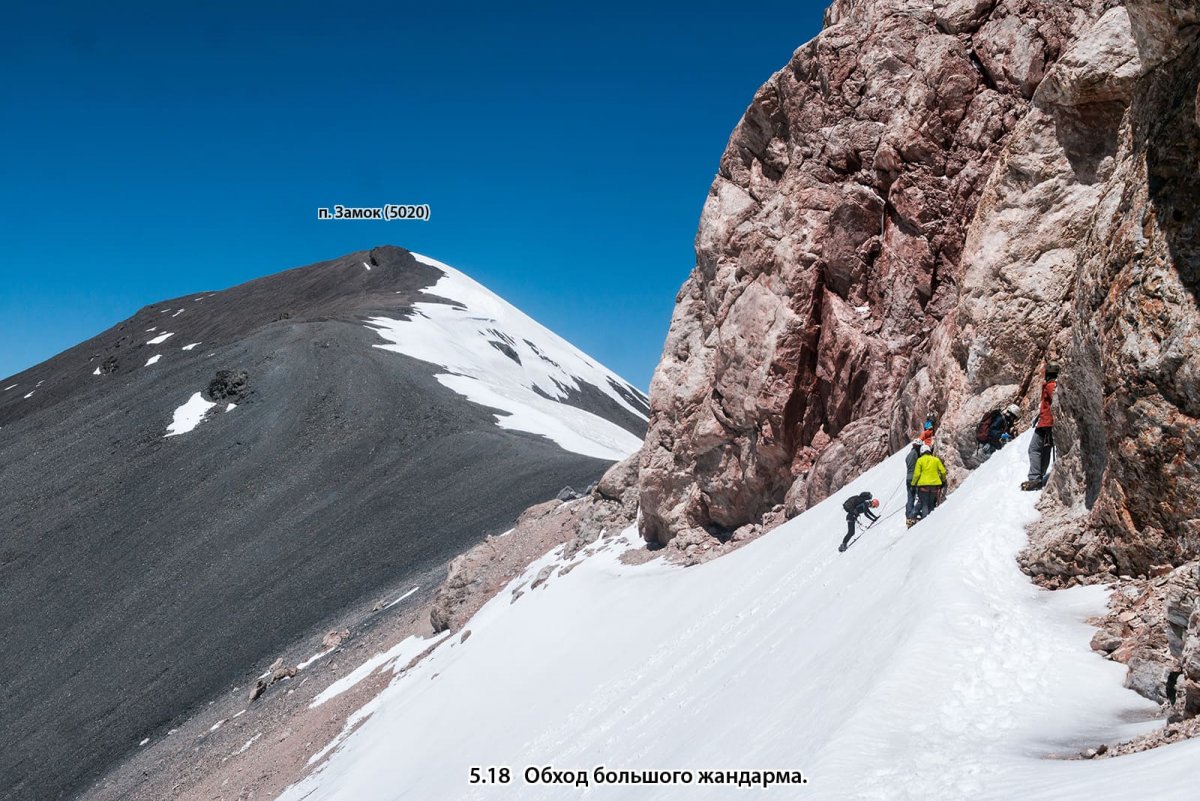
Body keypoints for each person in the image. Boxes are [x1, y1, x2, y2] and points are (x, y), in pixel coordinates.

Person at [1022, 361, 1058, 490]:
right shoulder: (1053, 385)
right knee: (1045, 449)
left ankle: (1035, 478)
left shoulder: (1050, 385)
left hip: (1046, 423)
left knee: (1034, 449)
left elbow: (1055, 399)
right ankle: (1038, 477)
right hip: (1048, 423)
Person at [910, 444, 947, 521]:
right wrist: (943, 480)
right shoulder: (936, 460)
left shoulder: (920, 460)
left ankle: (924, 522)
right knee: (931, 504)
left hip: (923, 487)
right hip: (935, 487)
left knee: (924, 505)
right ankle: (931, 522)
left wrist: (913, 484)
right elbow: (943, 471)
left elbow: (917, 474)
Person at [905, 440, 923, 526]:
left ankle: (908, 518)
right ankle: (913, 515)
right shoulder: (916, 454)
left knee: (910, 498)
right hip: (914, 478)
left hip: (908, 478)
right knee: (920, 497)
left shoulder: (908, 456)